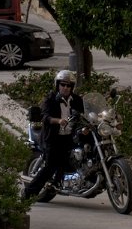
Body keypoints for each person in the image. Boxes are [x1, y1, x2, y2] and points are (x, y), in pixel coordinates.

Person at [21, 69, 85, 199]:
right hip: (52, 138)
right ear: (57, 85)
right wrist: (57, 121)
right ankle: (27, 195)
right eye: (63, 84)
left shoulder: (77, 100)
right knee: (51, 166)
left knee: (73, 158)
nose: (66, 88)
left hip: (69, 137)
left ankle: (59, 183)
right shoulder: (50, 99)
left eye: (69, 85)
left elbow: (86, 112)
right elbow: (44, 116)